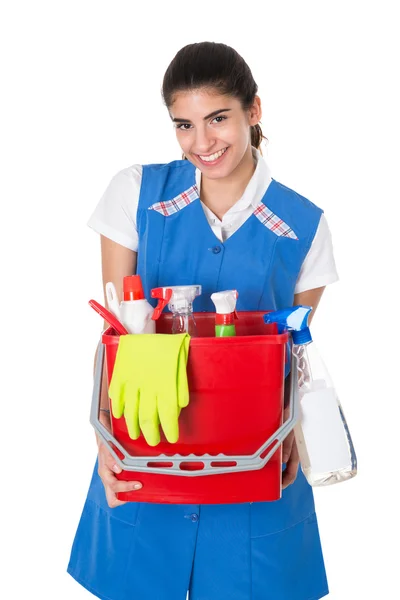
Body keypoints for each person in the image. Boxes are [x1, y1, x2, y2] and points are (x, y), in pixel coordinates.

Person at [67, 41, 339, 600]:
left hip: (256, 463)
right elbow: (117, 334)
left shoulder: (304, 225)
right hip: (146, 451)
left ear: (253, 111)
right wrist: (103, 439)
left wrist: (292, 436)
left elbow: (295, 354)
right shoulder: (137, 193)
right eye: (183, 125)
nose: (201, 143)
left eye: (218, 119)